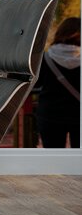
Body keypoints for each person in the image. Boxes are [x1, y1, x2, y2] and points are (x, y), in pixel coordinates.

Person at [35, 17, 80, 148]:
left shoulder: (44, 58)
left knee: (53, 159)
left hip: (50, 115)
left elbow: (36, 84)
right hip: (79, 115)